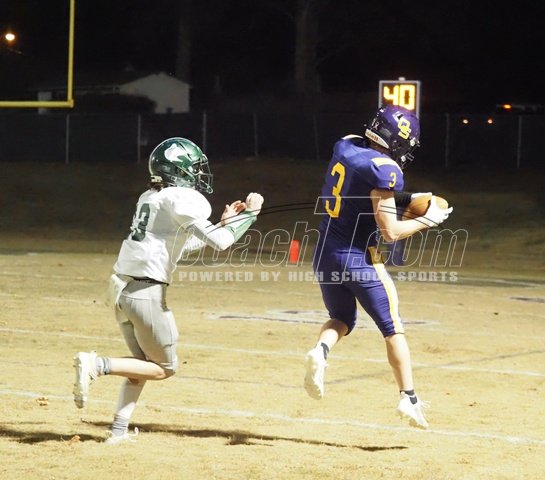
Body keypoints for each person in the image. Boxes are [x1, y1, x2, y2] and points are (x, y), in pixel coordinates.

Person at [73, 137, 264, 444]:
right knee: (164, 368)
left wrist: (221, 224)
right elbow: (222, 243)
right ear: (179, 170)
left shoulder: (151, 197)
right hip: (145, 293)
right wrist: (249, 216)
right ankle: (96, 364)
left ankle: (118, 432)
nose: (199, 174)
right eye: (194, 168)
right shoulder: (182, 198)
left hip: (122, 289)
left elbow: (179, 246)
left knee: (141, 366)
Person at [304, 105, 452, 429]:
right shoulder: (386, 169)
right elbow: (390, 232)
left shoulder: (347, 145)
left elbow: (365, 193)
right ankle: (409, 398)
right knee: (392, 328)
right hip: (359, 257)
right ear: (398, 140)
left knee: (342, 317)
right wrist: (428, 219)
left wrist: (407, 198)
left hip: (325, 252)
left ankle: (320, 351)